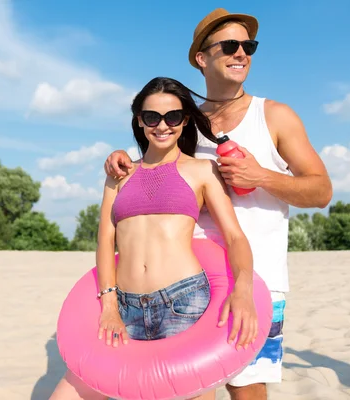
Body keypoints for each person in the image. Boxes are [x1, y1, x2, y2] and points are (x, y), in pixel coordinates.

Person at [103, 8, 333, 400]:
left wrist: (260, 177)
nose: (242, 53)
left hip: (257, 279)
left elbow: (321, 191)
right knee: (188, 390)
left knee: (247, 388)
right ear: (201, 58)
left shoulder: (274, 116)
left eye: (249, 46)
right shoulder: (183, 121)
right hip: (186, 284)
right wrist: (117, 157)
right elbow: (150, 166)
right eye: (230, 45)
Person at [50, 77, 258, 400]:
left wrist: (243, 288)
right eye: (152, 117)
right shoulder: (118, 175)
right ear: (139, 120)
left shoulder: (203, 171)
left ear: (185, 119)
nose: (163, 125)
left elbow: (235, 238)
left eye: (173, 117)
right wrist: (109, 303)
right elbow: (106, 240)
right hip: (124, 305)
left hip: (184, 303)